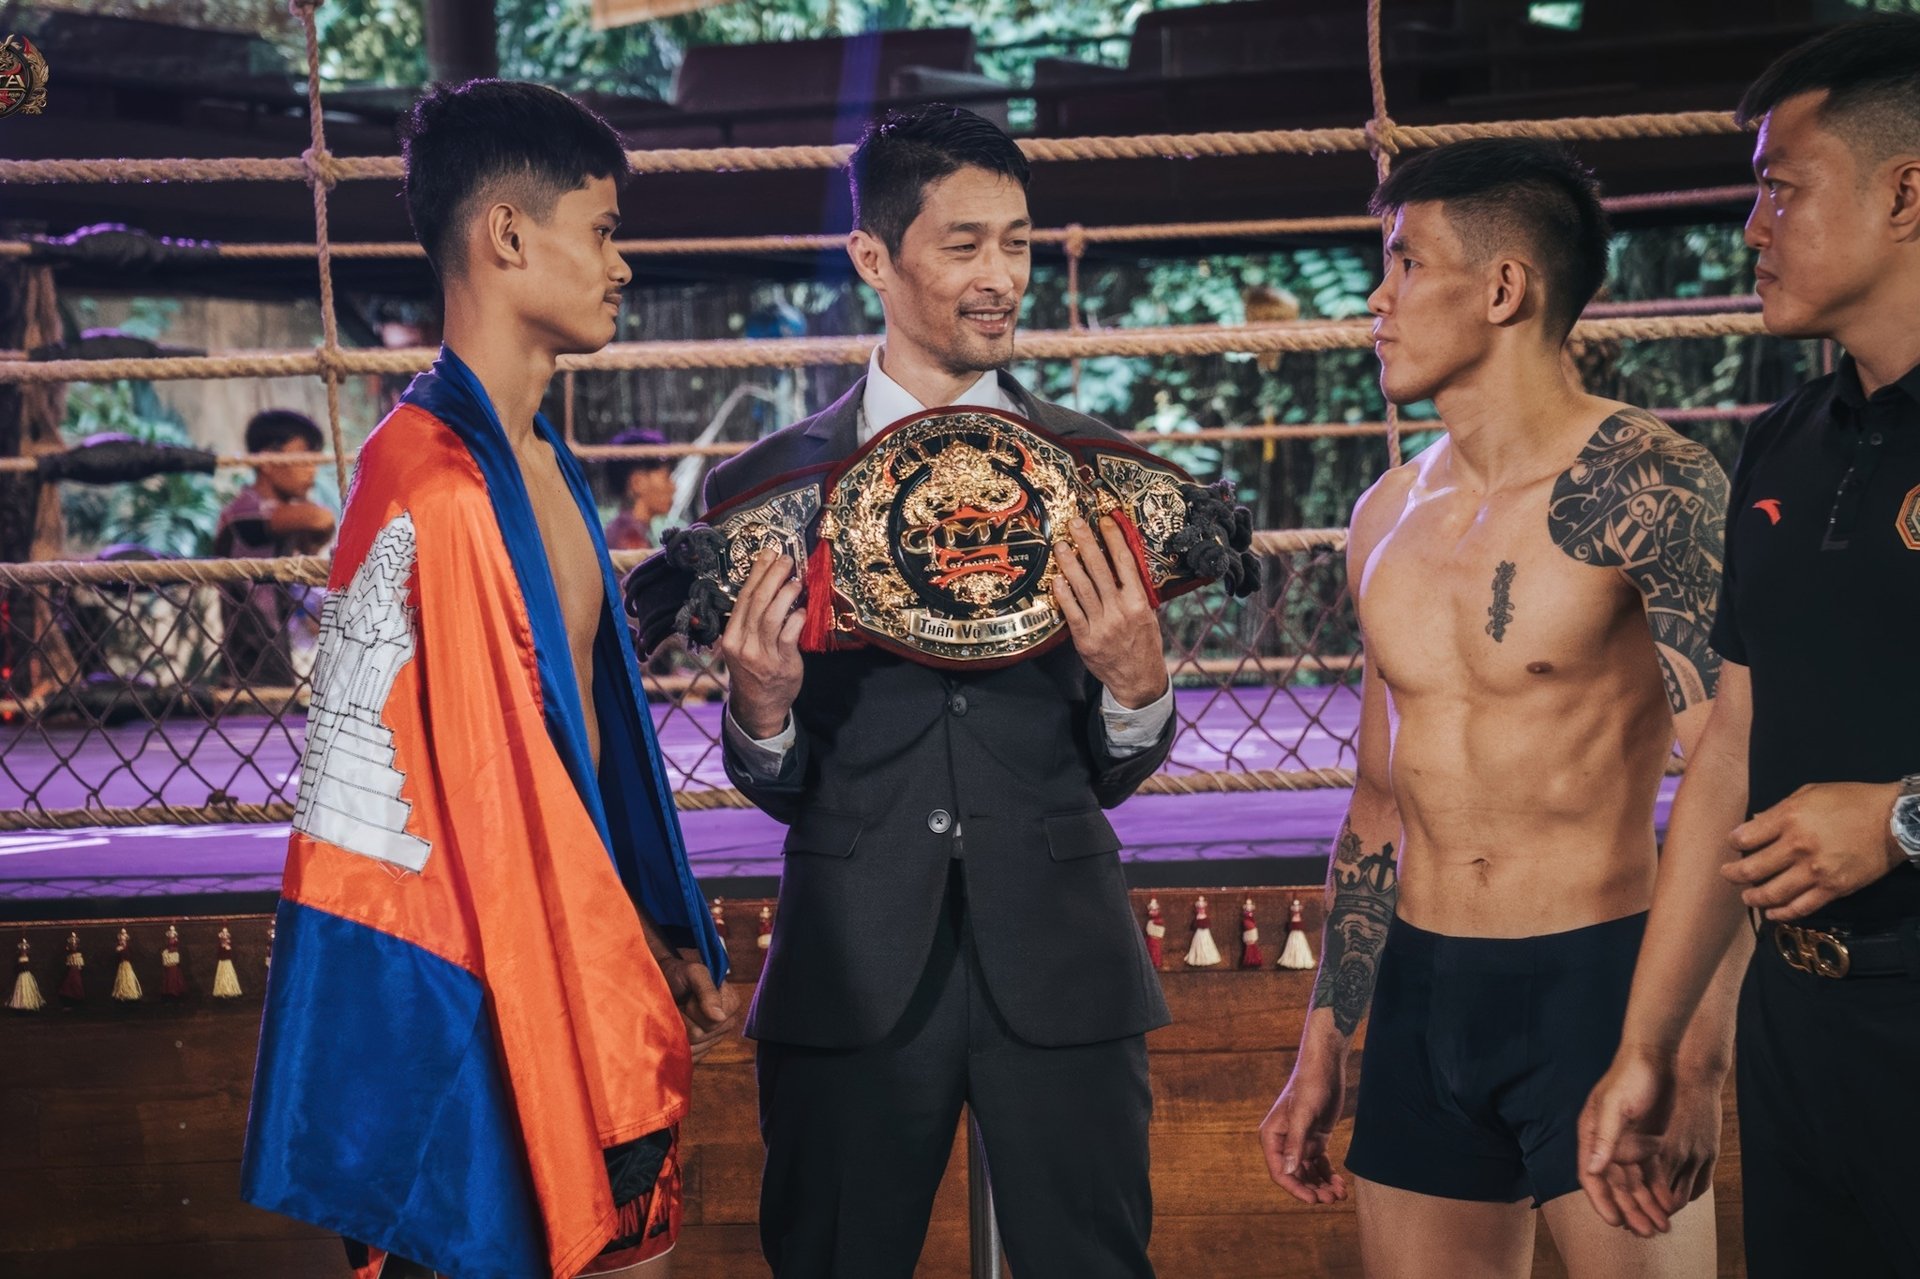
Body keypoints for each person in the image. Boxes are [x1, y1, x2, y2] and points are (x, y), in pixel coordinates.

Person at [241, 80, 733, 1279]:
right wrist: (614, 964)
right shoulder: (430, 488)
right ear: (509, 235)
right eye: (602, 230)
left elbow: (567, 750)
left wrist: (655, 925)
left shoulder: (544, 465)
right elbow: (453, 810)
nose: (621, 264)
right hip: (488, 1001)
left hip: (587, 969)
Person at [1256, 138, 1742, 1278]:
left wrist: (1695, 1057)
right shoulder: (1386, 513)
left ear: (1504, 287)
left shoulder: (1652, 488)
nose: (1377, 298)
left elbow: (1737, 779)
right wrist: (1325, 1041)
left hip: (1601, 984)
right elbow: (1379, 801)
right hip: (1424, 995)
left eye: (1406, 261)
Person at [704, 104, 1172, 1277]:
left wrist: (1137, 688)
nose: (999, 276)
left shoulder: (1098, 471)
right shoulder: (767, 486)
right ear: (873, 256)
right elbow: (779, 778)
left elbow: (1116, 765)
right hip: (849, 968)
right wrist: (761, 711)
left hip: (1064, 962)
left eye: (1017, 242)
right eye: (964, 245)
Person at [1580, 17, 1920, 1277]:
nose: (1750, 229)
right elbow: (1730, 747)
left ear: (1907, 194)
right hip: (1798, 1019)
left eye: (1781, 189)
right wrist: (1655, 1045)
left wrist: (1901, 820)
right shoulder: (1783, 443)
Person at [213, 408, 335, 685]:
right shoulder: (244, 513)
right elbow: (321, 519)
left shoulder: (276, 520)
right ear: (267, 461)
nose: (312, 470)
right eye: (303, 459)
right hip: (248, 671)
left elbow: (315, 536)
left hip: (272, 661)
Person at [604, 428, 676, 551]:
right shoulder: (631, 539)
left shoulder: (627, 531)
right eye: (667, 478)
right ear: (638, 483)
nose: (673, 488)